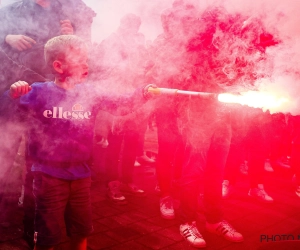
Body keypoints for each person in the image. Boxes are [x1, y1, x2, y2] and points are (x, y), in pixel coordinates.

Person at [0, 35, 154, 250]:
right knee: (47, 237)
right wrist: (13, 93)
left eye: (86, 59)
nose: (86, 64)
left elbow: (121, 105)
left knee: (81, 231)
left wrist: (143, 93)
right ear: (58, 66)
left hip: (81, 175)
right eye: (79, 59)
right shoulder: (38, 92)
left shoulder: (89, 93)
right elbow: (5, 111)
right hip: (48, 176)